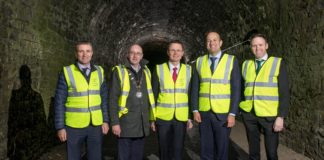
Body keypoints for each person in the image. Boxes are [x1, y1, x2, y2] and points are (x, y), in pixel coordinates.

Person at [54, 41, 109, 160]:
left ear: (92, 53)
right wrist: (60, 127)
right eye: (81, 51)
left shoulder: (100, 71)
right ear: (76, 54)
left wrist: (105, 120)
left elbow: (104, 99)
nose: (85, 54)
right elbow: (59, 101)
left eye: (88, 51)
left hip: (95, 125)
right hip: (73, 126)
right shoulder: (67, 72)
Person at [191, 31, 241, 160]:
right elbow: (195, 88)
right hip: (204, 113)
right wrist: (195, 109)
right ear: (206, 44)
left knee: (222, 150)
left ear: (220, 43)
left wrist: (233, 114)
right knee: (205, 150)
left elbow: (236, 89)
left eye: (214, 40)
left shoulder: (231, 60)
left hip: (223, 113)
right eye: (209, 40)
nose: (211, 43)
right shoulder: (199, 61)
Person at [240, 33, 289, 160]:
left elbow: (284, 92)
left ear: (266, 45)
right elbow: (241, 88)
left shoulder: (277, 63)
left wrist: (281, 116)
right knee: (253, 153)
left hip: (270, 116)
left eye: (260, 45)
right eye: (254, 45)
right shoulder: (246, 64)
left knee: (272, 153)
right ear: (251, 47)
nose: (257, 48)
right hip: (250, 115)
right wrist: (241, 108)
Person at [109, 44, 156, 160]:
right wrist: (115, 122)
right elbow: (113, 99)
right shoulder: (119, 71)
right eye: (132, 53)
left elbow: (149, 98)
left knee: (137, 156)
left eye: (138, 53)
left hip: (141, 123)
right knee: (123, 156)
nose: (135, 56)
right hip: (125, 122)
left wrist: (151, 119)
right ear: (127, 55)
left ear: (142, 56)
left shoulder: (147, 72)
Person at [151, 40, 193, 160]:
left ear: (183, 53)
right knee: (164, 149)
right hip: (162, 117)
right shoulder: (158, 69)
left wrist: (189, 117)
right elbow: (153, 95)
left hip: (181, 117)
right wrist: (152, 118)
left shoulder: (189, 70)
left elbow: (190, 95)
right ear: (168, 52)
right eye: (172, 50)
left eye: (178, 50)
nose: (175, 53)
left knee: (178, 150)